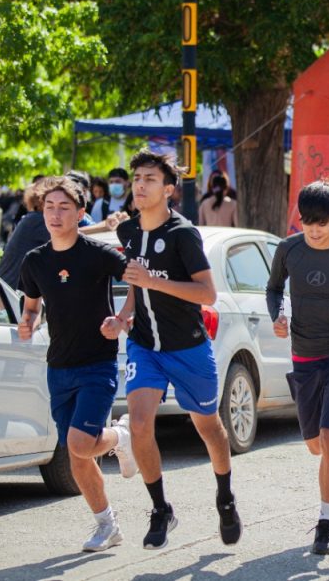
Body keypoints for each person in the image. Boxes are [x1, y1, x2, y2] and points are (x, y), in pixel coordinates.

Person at [113, 149, 241, 549]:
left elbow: (207, 292)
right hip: (144, 346)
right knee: (137, 425)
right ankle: (161, 509)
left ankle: (224, 497)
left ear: (168, 189)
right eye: (137, 178)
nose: (139, 185)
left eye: (149, 179)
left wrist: (155, 281)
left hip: (188, 348)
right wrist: (124, 314)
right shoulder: (129, 232)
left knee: (209, 428)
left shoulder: (183, 234)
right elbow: (136, 281)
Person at [17, 176, 138, 552]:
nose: (55, 214)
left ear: (81, 213)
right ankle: (107, 525)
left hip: (97, 364)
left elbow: (136, 278)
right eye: (49, 207)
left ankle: (121, 437)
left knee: (80, 443)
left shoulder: (96, 253)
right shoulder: (35, 260)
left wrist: (122, 319)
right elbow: (33, 305)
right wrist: (28, 322)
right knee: (77, 456)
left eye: (64, 207)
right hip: (59, 366)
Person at [265, 180, 329, 555]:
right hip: (303, 357)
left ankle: (326, 523)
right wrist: (277, 315)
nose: (314, 230)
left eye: (321, 222)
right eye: (308, 222)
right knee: (313, 446)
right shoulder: (288, 249)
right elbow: (274, 288)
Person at [0, 178, 49, 289]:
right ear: (41, 201)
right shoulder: (38, 220)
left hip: (10, 286)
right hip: (13, 290)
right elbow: (68, 239)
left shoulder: (33, 218)